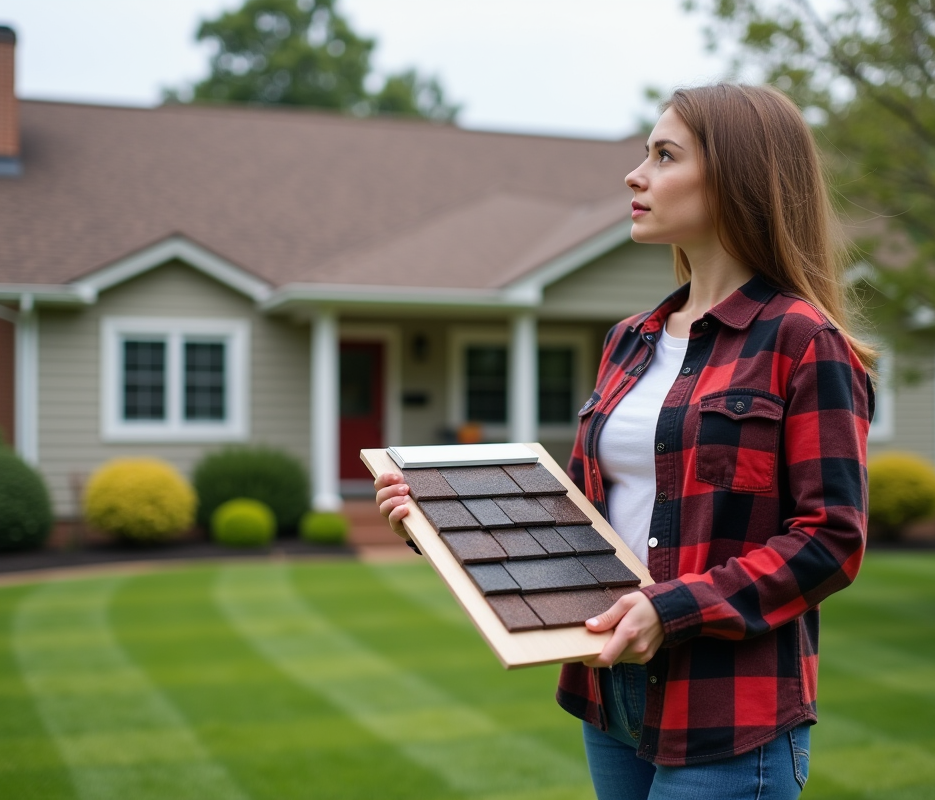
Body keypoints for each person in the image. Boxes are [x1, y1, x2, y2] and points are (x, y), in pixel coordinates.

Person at [375, 83, 875, 800]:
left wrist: (671, 611)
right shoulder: (629, 341)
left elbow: (831, 540)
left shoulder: (803, 342)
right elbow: (573, 519)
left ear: (737, 178)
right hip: (609, 694)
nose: (634, 175)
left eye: (664, 156)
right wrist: (438, 521)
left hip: (728, 711)